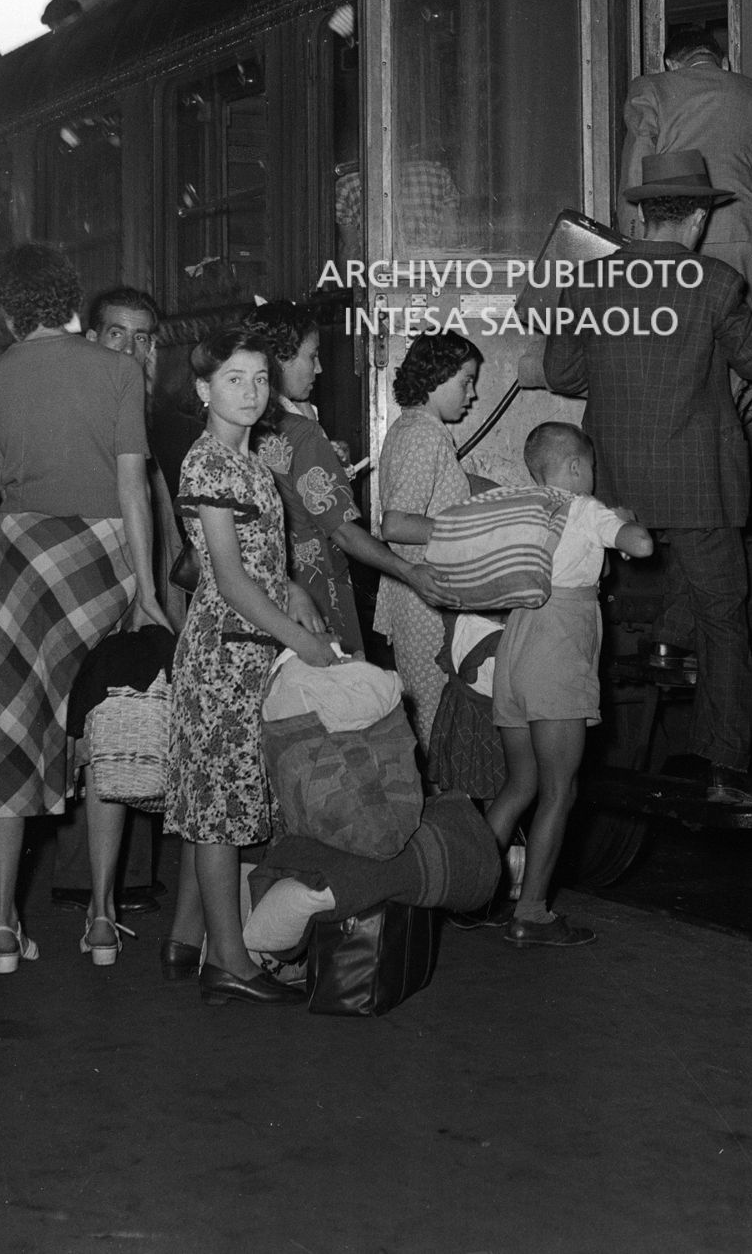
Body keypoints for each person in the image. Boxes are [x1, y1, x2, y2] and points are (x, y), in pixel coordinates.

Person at [0, 244, 171, 974]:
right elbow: (133, 489)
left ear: (8, 308)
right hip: (101, 561)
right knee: (106, 730)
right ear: (71, 299)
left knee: (10, 733)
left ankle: (3, 924)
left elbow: (6, 488)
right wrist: (146, 591)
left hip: (18, 561)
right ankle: (102, 919)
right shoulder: (117, 371)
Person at [544, 151, 752, 806]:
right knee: (723, 619)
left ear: (642, 215)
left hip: (615, 489)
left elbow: (563, 374)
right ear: (699, 219)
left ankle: (595, 730)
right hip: (697, 487)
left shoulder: (588, 283)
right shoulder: (717, 283)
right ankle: (723, 766)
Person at [159, 326, 336, 1005]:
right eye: (234, 378)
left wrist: (293, 590)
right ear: (203, 389)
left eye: (260, 378)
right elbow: (229, 580)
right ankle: (229, 963)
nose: (252, 391)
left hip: (248, 648)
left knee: (215, 800)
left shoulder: (250, 461)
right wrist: (302, 639)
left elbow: (257, 559)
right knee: (221, 812)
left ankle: (186, 941)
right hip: (225, 653)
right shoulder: (209, 463)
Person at [483, 422, 653, 948]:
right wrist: (624, 522)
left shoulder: (524, 507)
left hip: (515, 645)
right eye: (591, 467)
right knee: (560, 791)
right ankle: (531, 913)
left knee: (520, 785)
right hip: (557, 647)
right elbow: (641, 545)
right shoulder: (583, 506)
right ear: (577, 466)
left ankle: (467, 896)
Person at [53, 284, 180, 937]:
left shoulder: (145, 412)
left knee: (131, 721)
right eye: (116, 335)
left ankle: (116, 884)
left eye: (143, 338)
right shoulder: (82, 414)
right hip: (100, 589)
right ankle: (91, 887)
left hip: (146, 587)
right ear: (90, 340)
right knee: (101, 722)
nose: (131, 350)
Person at [243, 299, 442, 660]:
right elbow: (344, 532)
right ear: (278, 360)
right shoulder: (302, 433)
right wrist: (408, 571)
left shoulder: (242, 427)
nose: (318, 368)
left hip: (257, 593)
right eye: (312, 356)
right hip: (314, 593)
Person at [373, 332, 483, 750]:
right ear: (437, 376)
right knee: (439, 728)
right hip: (425, 599)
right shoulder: (424, 435)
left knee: (435, 723)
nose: (472, 395)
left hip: (419, 597)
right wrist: (468, 532)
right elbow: (396, 524)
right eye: (466, 381)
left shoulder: (413, 428)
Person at [619, 29, 752, 290]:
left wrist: (633, 239)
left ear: (671, 65)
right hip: (748, 238)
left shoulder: (650, 88)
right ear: (724, 63)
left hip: (676, 238)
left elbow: (636, 168)